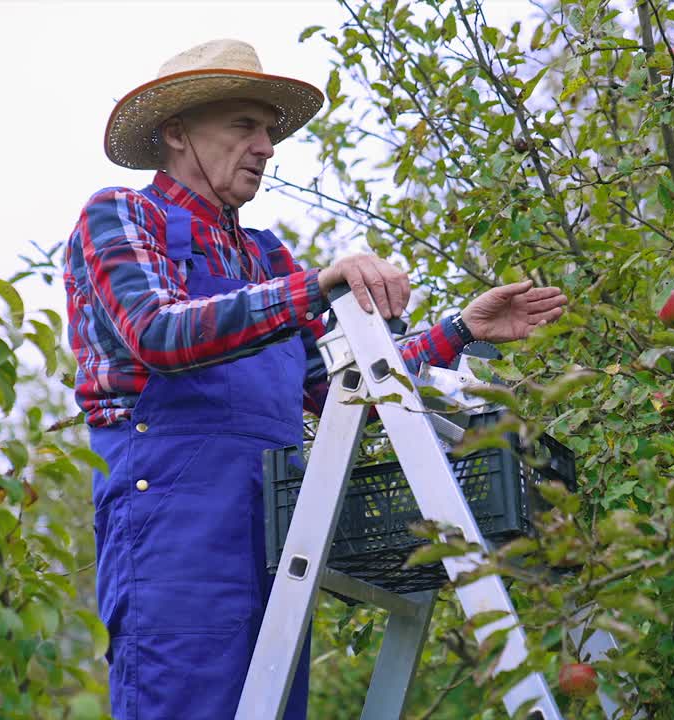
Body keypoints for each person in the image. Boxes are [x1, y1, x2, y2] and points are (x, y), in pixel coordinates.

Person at [62, 38, 568, 719]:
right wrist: (317, 285)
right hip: (172, 523)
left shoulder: (267, 257)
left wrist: (462, 331)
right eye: (245, 124)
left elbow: (336, 384)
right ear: (175, 132)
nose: (266, 145)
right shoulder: (124, 214)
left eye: (270, 131)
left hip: (271, 525)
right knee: (178, 694)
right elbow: (158, 333)